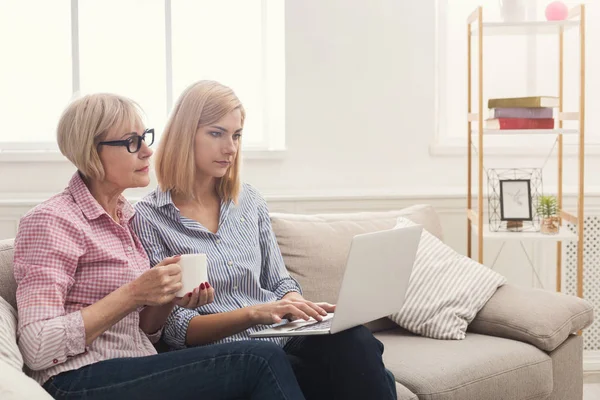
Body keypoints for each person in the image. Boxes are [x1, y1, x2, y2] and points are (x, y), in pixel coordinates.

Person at [13, 93, 306, 400]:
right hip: (77, 378)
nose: (147, 151)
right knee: (258, 359)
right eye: (131, 142)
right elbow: (37, 346)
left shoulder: (125, 217)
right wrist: (134, 293)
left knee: (305, 355)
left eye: (145, 138)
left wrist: (167, 299)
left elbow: (146, 332)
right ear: (91, 151)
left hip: (137, 364)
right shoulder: (51, 220)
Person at [131, 80, 398, 400]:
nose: (230, 148)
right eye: (216, 133)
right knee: (339, 374)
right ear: (185, 135)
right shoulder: (149, 217)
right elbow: (177, 330)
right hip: (231, 356)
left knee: (355, 341)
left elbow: (279, 280)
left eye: (237, 135)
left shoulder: (250, 201)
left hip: (280, 336)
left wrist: (297, 303)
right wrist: (257, 312)